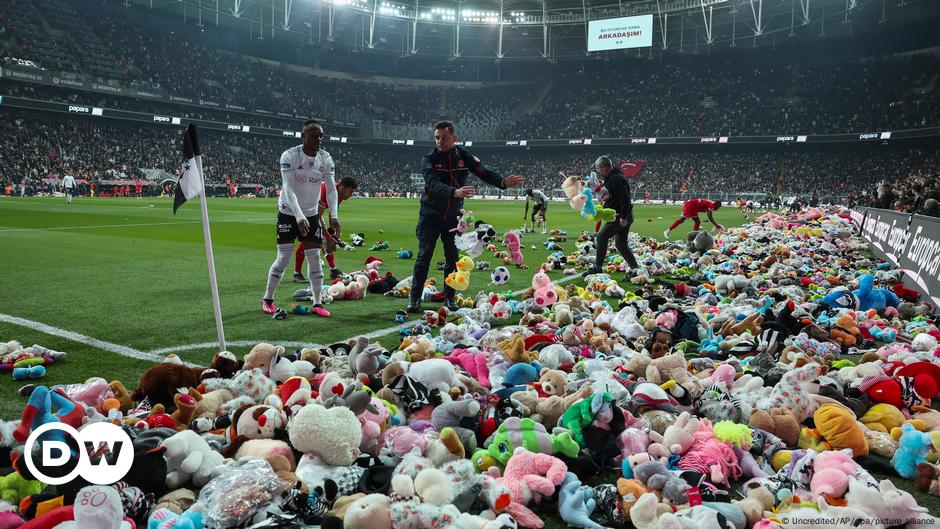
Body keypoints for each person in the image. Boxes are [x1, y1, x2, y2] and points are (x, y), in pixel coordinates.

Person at [405, 120, 525, 314]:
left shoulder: (463, 155)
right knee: (423, 257)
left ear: (454, 137)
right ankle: (414, 299)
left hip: (453, 219)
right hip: (430, 216)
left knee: (452, 258)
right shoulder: (429, 159)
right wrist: (455, 192)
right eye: (437, 137)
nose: (439, 141)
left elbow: (482, 171)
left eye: (443, 137)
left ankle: (450, 298)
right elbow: (432, 184)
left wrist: (502, 182)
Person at [261, 120, 340, 318]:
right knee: (284, 257)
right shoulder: (289, 156)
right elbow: (287, 188)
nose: (318, 139)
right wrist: (298, 216)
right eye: (314, 135)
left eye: (321, 135)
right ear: (302, 136)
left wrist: (334, 215)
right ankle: (268, 299)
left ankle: (317, 302)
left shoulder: (325, 158)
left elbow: (331, 189)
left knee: (314, 258)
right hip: (289, 212)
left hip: (312, 214)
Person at [582, 156, 641, 278]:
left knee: (602, 237)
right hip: (621, 215)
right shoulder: (612, 177)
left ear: (604, 167)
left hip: (619, 215)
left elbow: (625, 198)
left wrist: (623, 217)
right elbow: (613, 196)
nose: (598, 170)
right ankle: (636, 269)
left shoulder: (615, 179)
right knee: (621, 245)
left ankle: (597, 267)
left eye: (598, 168)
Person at [294, 176, 358, 283]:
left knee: (321, 237)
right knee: (310, 239)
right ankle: (297, 273)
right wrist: (328, 237)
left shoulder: (339, 194)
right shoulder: (325, 191)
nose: (351, 194)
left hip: (312, 210)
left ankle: (333, 270)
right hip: (301, 209)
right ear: (342, 188)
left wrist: (335, 231)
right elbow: (317, 217)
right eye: (350, 191)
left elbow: (333, 212)